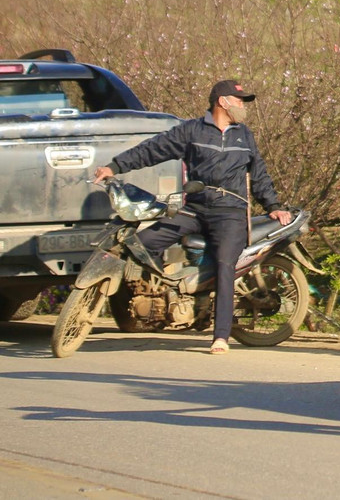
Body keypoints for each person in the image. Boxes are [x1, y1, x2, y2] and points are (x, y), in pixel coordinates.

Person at [93, 80, 290, 355]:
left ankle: (220, 336)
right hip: (194, 209)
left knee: (225, 265)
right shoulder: (192, 130)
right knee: (141, 243)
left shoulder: (244, 135)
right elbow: (153, 149)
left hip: (230, 212)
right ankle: (163, 295)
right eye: (239, 100)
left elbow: (259, 175)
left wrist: (273, 205)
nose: (243, 106)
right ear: (223, 102)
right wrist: (115, 166)